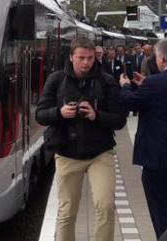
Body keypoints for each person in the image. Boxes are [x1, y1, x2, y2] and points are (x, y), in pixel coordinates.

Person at [36, 37, 126, 241]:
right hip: (67, 153)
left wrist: (97, 116)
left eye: (90, 58)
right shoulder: (56, 79)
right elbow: (40, 114)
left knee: (105, 205)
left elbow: (120, 119)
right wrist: (59, 113)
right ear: (71, 57)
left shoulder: (106, 81)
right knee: (67, 210)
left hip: (100, 152)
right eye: (81, 58)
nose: (86, 62)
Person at [120, 38, 167, 239]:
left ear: (162, 58)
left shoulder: (153, 83)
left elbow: (130, 103)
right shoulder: (159, 83)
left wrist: (126, 86)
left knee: (163, 214)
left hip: (159, 161)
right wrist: (146, 85)